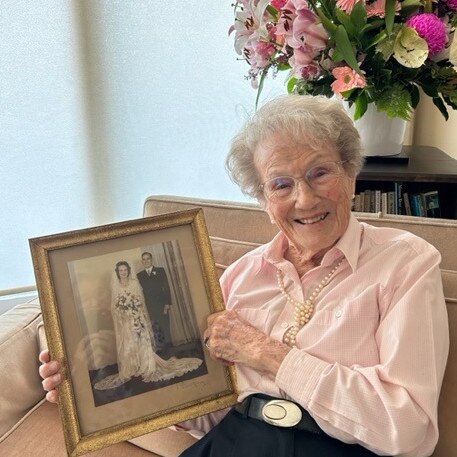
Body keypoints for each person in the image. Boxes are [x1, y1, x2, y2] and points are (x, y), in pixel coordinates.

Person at [39, 95, 449, 456]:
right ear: (264, 201)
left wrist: (266, 352)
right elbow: (207, 410)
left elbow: (408, 429)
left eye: (320, 172)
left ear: (351, 173)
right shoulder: (237, 278)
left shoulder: (406, 264)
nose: (305, 199)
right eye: (281, 184)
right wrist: (88, 397)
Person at [91, 260, 202, 390]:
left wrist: (138, 314)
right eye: (121, 271)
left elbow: (141, 301)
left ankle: (146, 364)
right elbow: (114, 307)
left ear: (128, 271)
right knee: (130, 343)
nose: (123, 272)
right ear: (118, 272)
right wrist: (124, 310)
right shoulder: (116, 287)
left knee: (142, 341)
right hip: (126, 321)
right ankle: (133, 365)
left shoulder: (134, 283)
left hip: (138, 317)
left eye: (125, 270)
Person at [137, 252, 173, 351]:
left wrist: (167, 303)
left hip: (162, 304)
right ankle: (161, 348)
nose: (146, 261)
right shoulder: (139, 275)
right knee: (155, 327)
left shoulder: (160, 270)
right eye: (144, 259)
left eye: (148, 258)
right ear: (142, 261)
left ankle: (170, 349)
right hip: (149, 305)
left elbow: (166, 287)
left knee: (165, 325)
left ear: (151, 259)